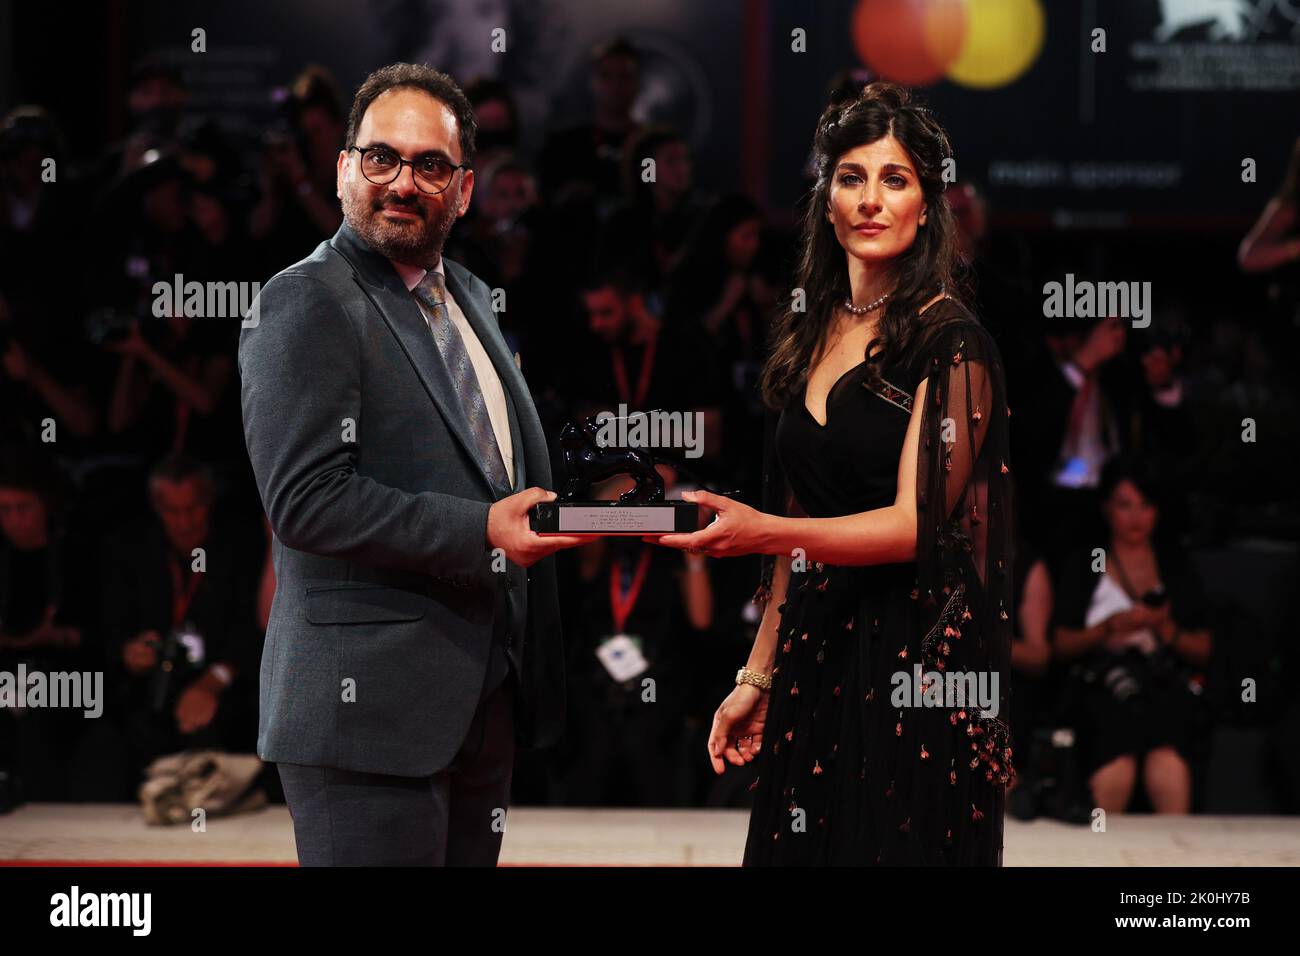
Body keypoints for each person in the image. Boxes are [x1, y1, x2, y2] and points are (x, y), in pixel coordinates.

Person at [647, 82, 1015, 865]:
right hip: (816, 656)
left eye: (895, 179)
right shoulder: (808, 332)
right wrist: (758, 674)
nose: (871, 200)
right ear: (826, 199)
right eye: (851, 178)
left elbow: (917, 523)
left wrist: (760, 530)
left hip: (914, 671)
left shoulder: (953, 342)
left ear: (927, 205)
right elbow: (793, 533)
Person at [238, 63, 584, 866]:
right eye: (380, 157)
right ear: (342, 168)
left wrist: (594, 508)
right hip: (363, 715)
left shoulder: (464, 293)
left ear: (463, 191)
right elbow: (307, 501)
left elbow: (489, 470)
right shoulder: (305, 300)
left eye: (430, 166)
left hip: (478, 698)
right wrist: (482, 529)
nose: (402, 182)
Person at [1050, 456, 1213, 814]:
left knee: (1167, 760)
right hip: (1101, 689)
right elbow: (1059, 646)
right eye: (1125, 505)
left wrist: (1162, 627)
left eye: (1146, 505)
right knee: (1117, 759)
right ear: (1106, 508)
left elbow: (1204, 650)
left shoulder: (1174, 563)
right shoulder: (1085, 561)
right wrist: (1107, 629)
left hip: (1165, 688)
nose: (1137, 517)